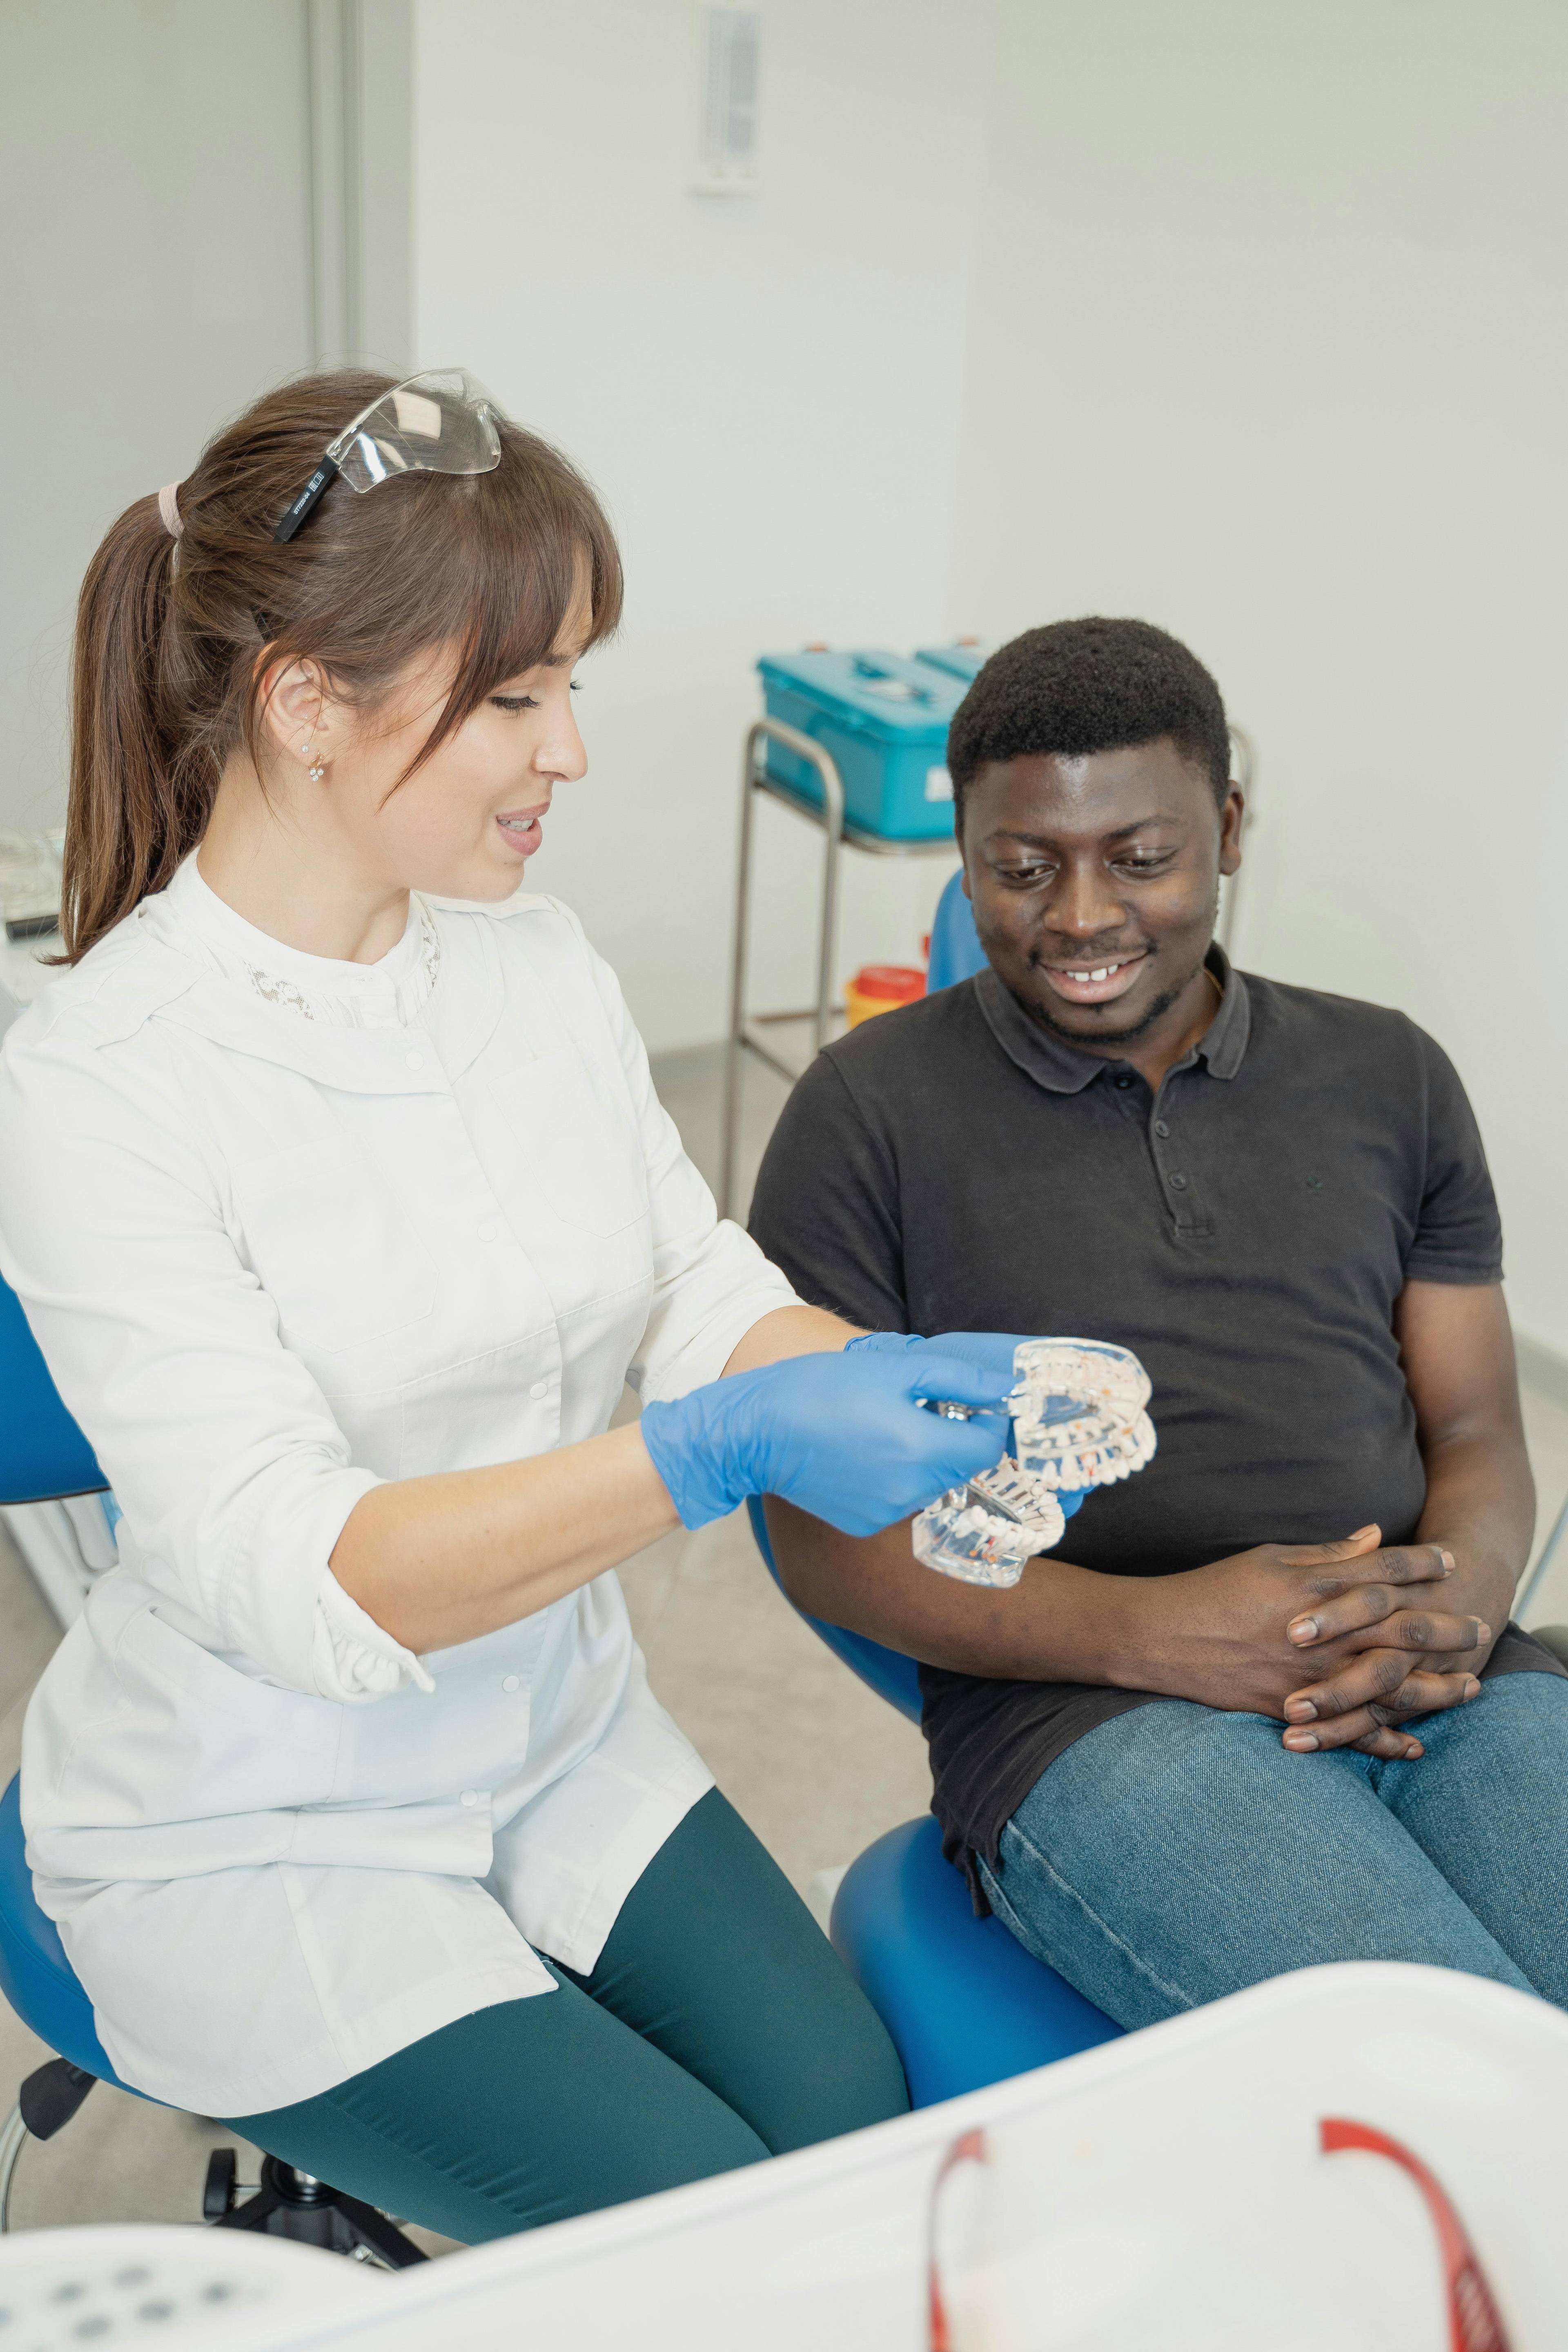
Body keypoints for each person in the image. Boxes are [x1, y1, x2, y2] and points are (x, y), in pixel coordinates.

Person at [0, 369, 1028, 2244]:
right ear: (307, 702)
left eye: (573, 685)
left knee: (855, 2128)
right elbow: (302, 1573)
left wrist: (883, 1391)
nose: (570, 754)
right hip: (260, 1820)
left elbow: (691, 1281)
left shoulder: (530, 961)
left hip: (553, 1733)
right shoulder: (100, 1080)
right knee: (706, 2233)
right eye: (517, 697)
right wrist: (714, 1450)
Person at [749, 615, 1568, 2030]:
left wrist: (1464, 1600)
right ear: (964, 848)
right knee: (1457, 2069)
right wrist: (1164, 1638)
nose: (1079, 917)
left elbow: (1478, 1423)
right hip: (1102, 1720)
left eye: (1141, 858)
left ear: (1230, 828)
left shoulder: (1392, 1075)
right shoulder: (863, 1117)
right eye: (1020, 867)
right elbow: (822, 1533)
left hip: (1447, 1678)